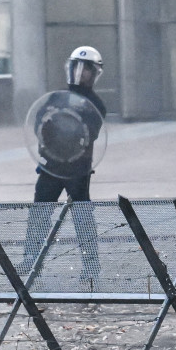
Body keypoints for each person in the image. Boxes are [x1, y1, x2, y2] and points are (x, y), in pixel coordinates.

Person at [22, 46, 107, 280]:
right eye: (76, 67)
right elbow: (40, 124)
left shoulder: (95, 105)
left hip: (77, 169)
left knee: (82, 217)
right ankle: (31, 259)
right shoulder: (55, 97)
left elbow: (90, 133)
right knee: (39, 213)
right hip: (51, 166)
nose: (80, 74)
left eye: (86, 69)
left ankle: (91, 265)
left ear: (94, 73)